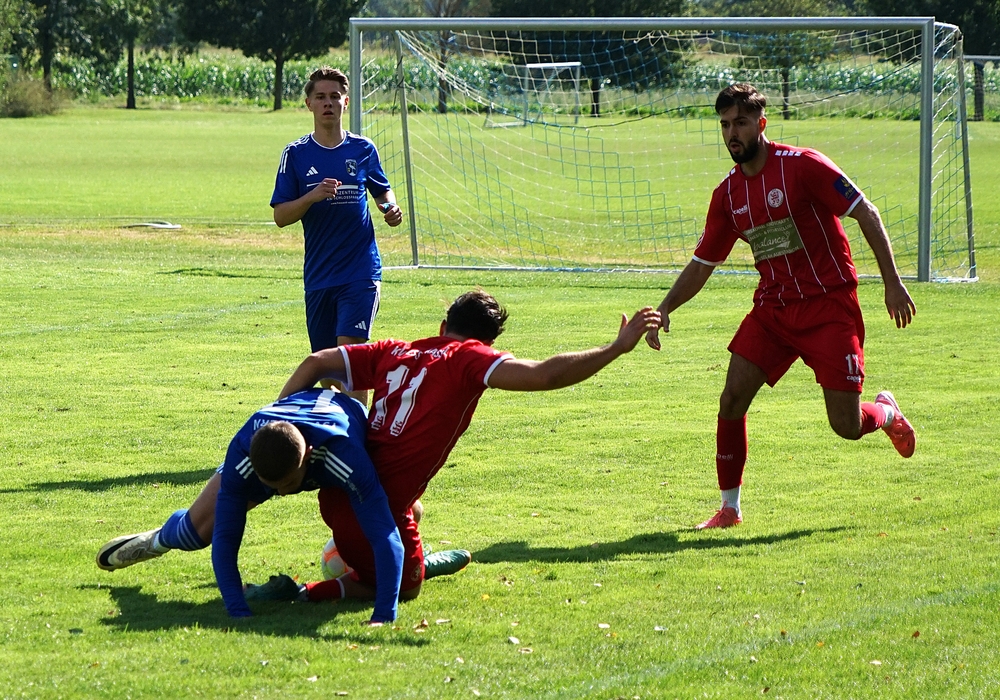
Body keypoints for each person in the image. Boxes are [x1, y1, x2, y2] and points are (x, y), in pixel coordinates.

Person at [256, 290, 660, 607]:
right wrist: (615, 348)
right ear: (489, 343)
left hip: (339, 491)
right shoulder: (469, 360)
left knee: (416, 508)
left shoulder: (395, 349)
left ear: (443, 324)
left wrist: (279, 423)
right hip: (372, 509)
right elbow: (545, 375)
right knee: (406, 589)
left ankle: (402, 553)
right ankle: (301, 591)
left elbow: (315, 362)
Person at [645, 83, 917, 530]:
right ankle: (729, 509)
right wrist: (666, 306)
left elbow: (865, 211)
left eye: (741, 123)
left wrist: (893, 283)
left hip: (828, 307)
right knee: (731, 398)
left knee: (846, 426)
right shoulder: (728, 195)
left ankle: (886, 412)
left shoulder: (803, 166)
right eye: (725, 125)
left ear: (761, 124)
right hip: (773, 310)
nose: (732, 134)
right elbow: (702, 263)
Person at [95, 388, 404, 623]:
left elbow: (384, 536)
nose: (280, 494)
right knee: (196, 534)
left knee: (389, 512)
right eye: (272, 486)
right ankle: (158, 539)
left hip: (336, 435)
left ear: (307, 456)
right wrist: (237, 610)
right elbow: (226, 538)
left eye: (286, 484)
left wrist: (383, 615)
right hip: (285, 443)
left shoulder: (346, 457)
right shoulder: (242, 451)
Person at [271, 66, 403, 403]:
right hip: (319, 276)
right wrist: (311, 197)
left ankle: (358, 431)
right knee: (329, 372)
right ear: (309, 104)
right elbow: (281, 216)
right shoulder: (296, 154)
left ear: (345, 102)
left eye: (334, 96)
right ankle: (339, 422)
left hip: (360, 271)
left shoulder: (363, 149)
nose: (328, 103)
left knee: (351, 360)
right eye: (320, 97)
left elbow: (382, 191)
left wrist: (390, 208)